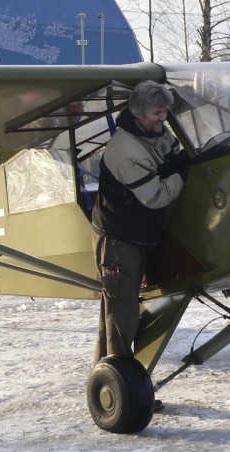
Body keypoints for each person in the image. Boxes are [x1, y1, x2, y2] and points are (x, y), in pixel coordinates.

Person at [91, 80, 187, 370]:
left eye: (165, 112)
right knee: (122, 313)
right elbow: (156, 196)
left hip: (140, 231)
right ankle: (118, 382)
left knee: (116, 311)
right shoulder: (126, 149)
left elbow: (174, 154)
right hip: (118, 239)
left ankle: (108, 374)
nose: (163, 118)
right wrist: (184, 174)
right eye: (158, 113)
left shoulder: (157, 132)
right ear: (138, 114)